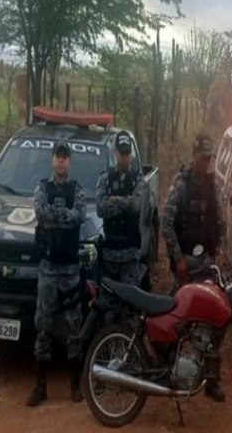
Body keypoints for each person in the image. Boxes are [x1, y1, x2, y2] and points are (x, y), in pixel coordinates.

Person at [161, 133, 227, 402]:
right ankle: (169, 367)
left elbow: (222, 224)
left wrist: (221, 251)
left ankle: (211, 378)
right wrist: (177, 258)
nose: (206, 163)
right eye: (202, 158)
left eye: (209, 159)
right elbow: (166, 223)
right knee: (174, 316)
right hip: (186, 263)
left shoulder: (213, 186)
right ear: (194, 156)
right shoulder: (181, 184)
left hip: (207, 264)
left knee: (217, 319)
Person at [28, 140, 87, 407]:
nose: (61, 161)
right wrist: (62, 215)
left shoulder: (77, 189)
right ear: (52, 161)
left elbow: (80, 215)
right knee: (44, 327)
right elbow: (39, 211)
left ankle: (75, 385)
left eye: (65, 157)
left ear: (70, 163)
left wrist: (56, 216)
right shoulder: (42, 187)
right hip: (49, 268)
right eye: (58, 157)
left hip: (70, 269)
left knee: (74, 326)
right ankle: (41, 387)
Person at [95, 130, 148, 287]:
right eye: (122, 153)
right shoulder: (105, 178)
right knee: (107, 304)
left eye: (127, 153)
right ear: (115, 152)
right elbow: (100, 208)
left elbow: (136, 205)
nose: (125, 158)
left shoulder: (138, 179)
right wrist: (125, 203)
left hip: (130, 254)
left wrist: (116, 200)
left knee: (129, 304)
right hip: (109, 253)